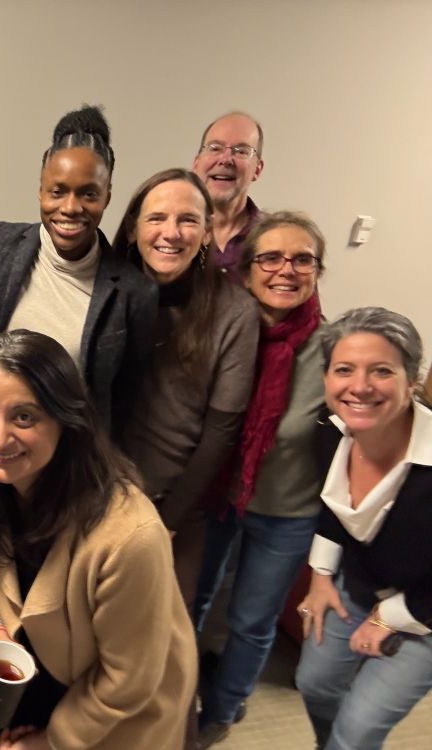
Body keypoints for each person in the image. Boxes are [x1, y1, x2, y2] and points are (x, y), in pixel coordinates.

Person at [0, 330, 196, 750]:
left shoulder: (129, 537)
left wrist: (52, 741)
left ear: (67, 421)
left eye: (24, 417)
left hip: (114, 716)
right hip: (37, 675)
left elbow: (130, 680)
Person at [193, 211, 327, 747]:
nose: (285, 270)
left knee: (251, 621)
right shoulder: (225, 329)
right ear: (247, 269)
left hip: (289, 511)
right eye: (270, 257)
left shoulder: (335, 348)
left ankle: (223, 711)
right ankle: (179, 692)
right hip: (218, 495)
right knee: (192, 599)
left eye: (302, 259)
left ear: (318, 271)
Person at [112, 168, 259, 606]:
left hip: (172, 504)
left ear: (209, 230)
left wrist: (166, 519)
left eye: (188, 220)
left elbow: (221, 431)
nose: (171, 233)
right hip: (93, 493)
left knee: (159, 649)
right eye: (157, 218)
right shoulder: (109, 288)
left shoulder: (234, 311)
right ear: (135, 225)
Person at [0, 104, 157, 438]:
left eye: (88, 194)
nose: (70, 208)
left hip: (73, 465)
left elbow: (126, 404)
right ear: (41, 189)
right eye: (58, 192)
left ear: (107, 196)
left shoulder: (134, 292)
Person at [295, 308, 432, 750]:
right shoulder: (331, 430)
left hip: (427, 616)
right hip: (361, 585)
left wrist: (387, 619)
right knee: (312, 683)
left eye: (381, 371)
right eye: (344, 370)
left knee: (357, 730)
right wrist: (319, 578)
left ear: (411, 380)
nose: (359, 386)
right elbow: (337, 508)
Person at [191, 112, 265, 279]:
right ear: (196, 163)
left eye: (241, 151)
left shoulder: (277, 240)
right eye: (215, 148)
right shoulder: (170, 236)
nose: (225, 159)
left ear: (257, 170)